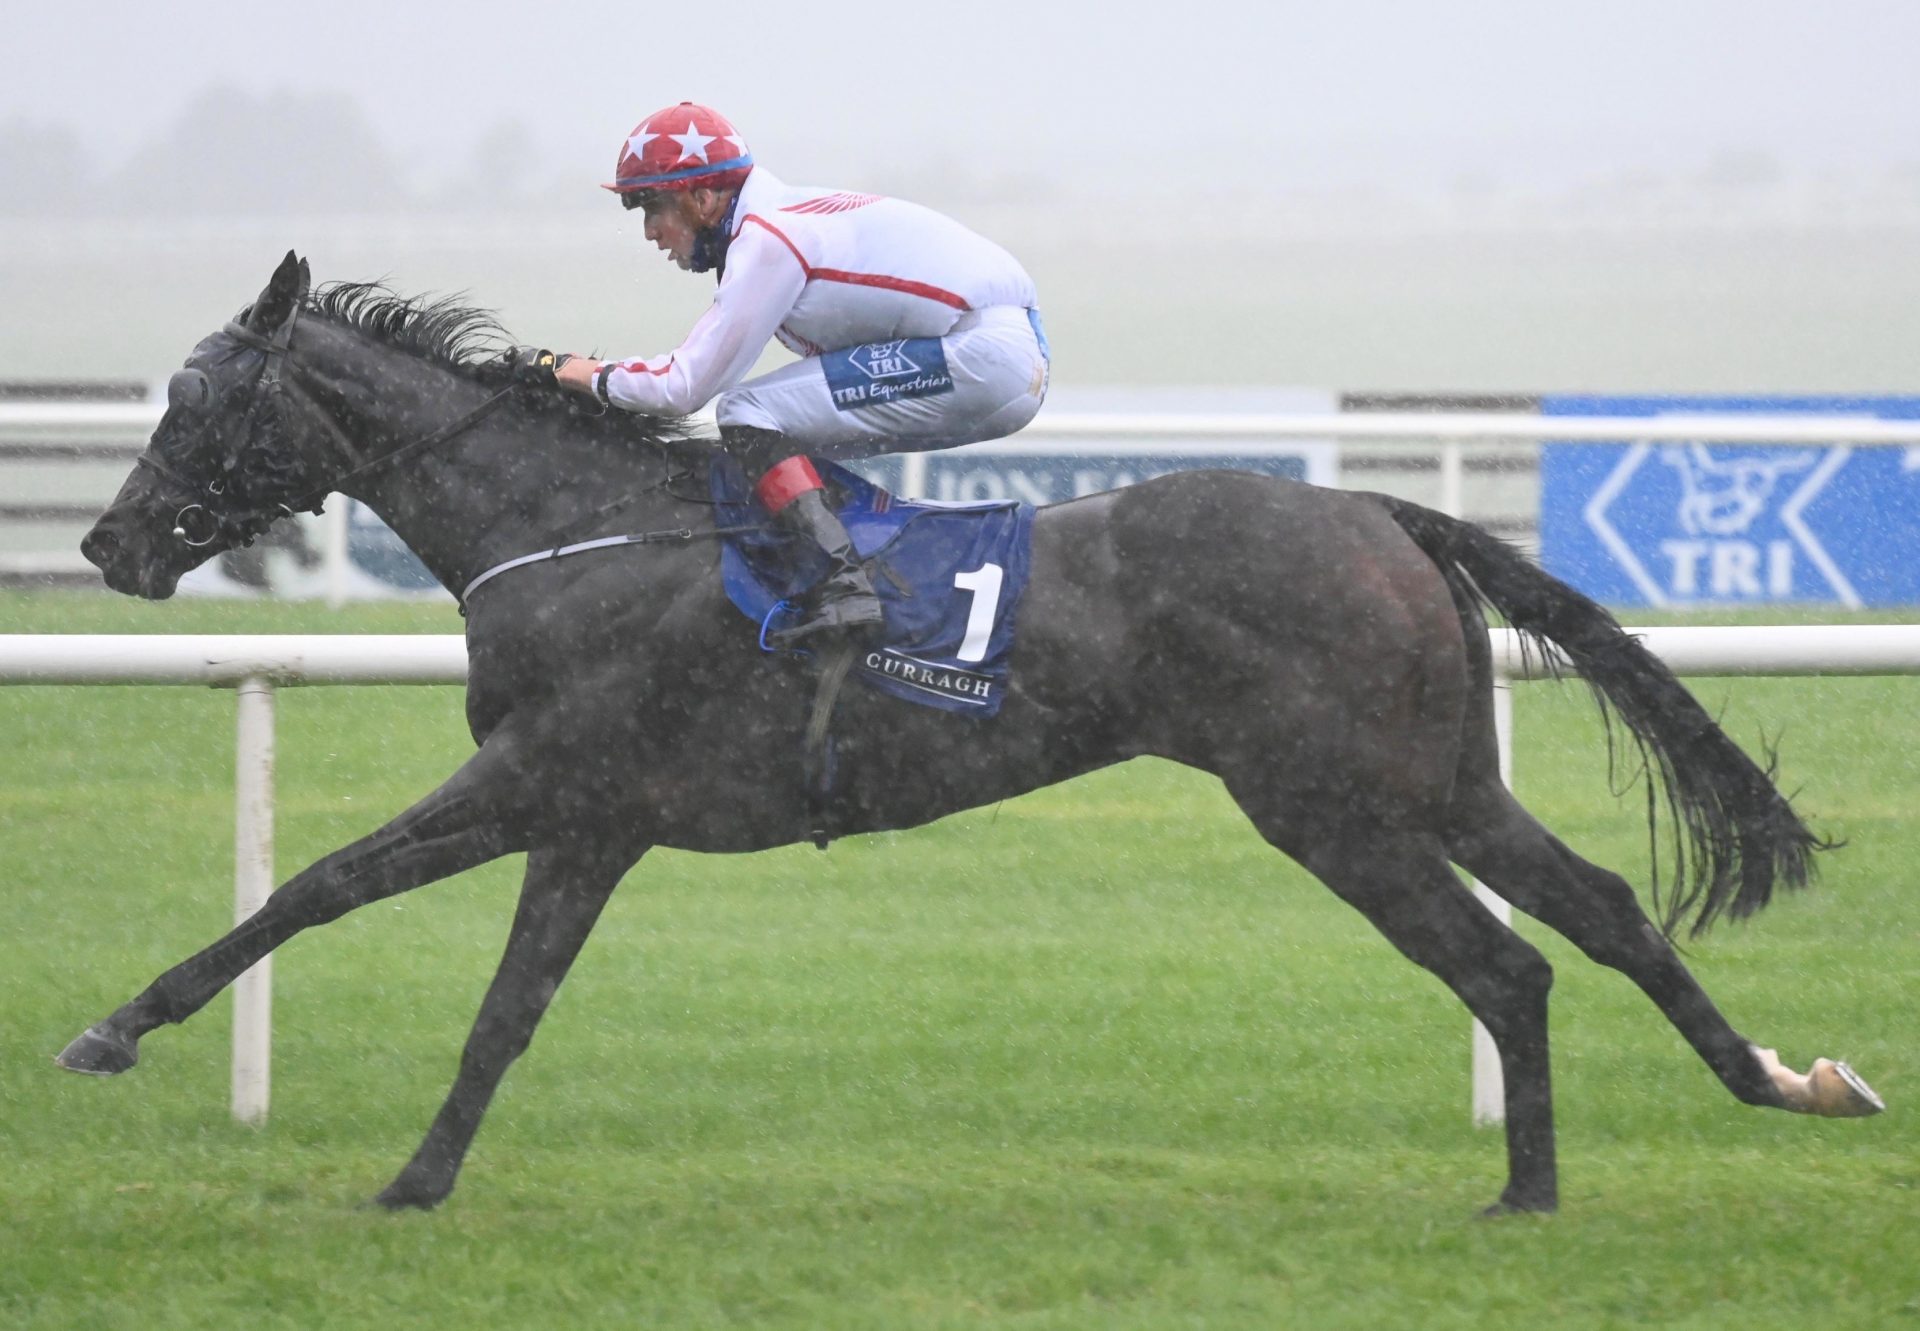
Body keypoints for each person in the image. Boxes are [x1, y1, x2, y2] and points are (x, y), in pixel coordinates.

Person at [508, 101, 1049, 645]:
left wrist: (575, 371)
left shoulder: (768, 238)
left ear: (702, 197)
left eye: (653, 207)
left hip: (984, 353)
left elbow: (683, 388)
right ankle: (858, 573)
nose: (650, 232)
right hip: (1002, 351)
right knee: (779, 446)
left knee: (746, 412)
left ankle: (843, 585)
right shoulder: (780, 217)